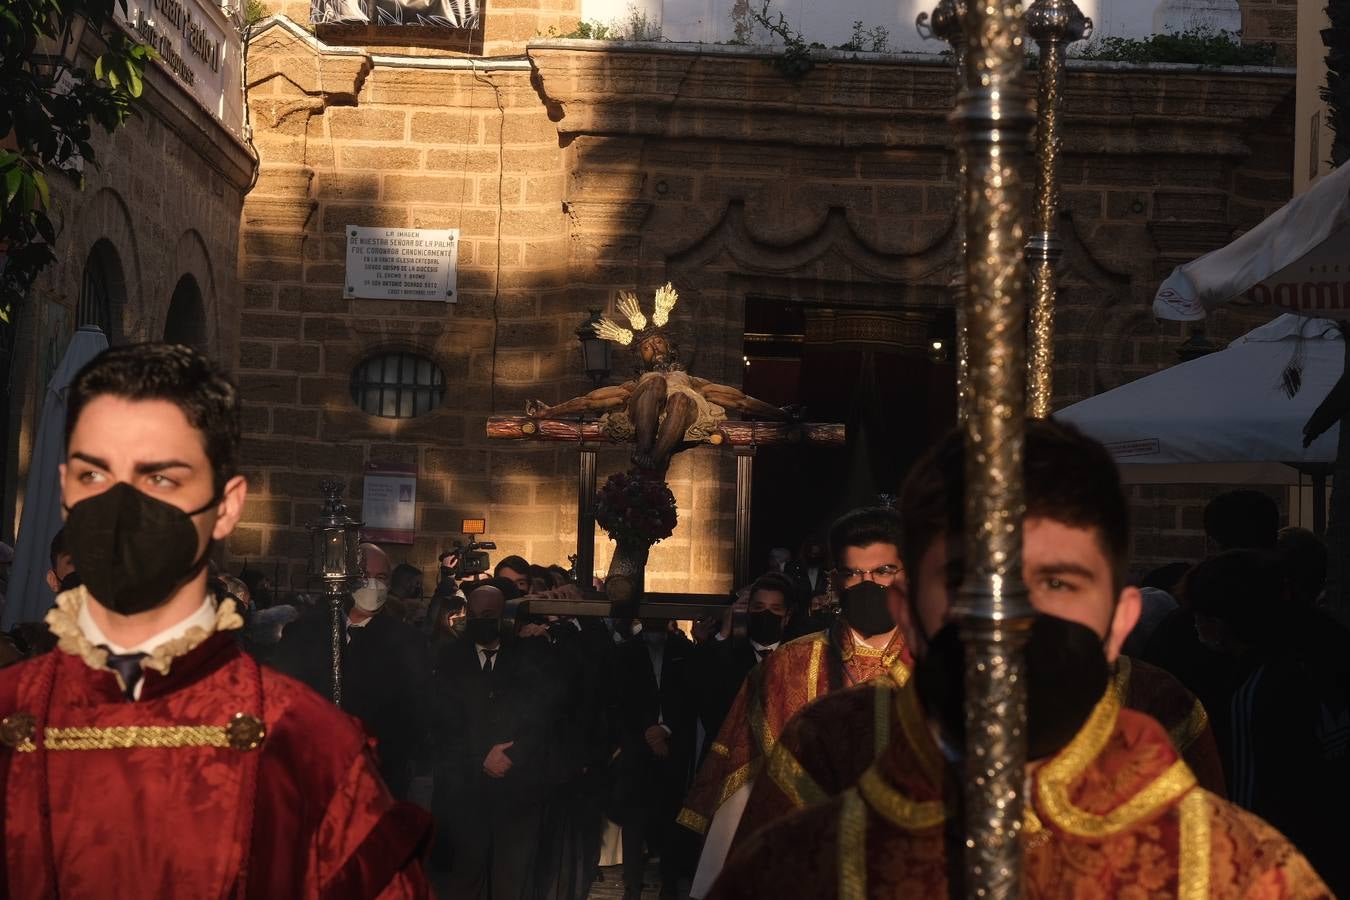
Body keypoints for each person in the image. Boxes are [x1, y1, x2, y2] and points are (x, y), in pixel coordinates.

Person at [711, 420, 1329, 899]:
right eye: (969, 584)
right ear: (909, 613)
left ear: (1118, 623)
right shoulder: (815, 803)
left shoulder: (1237, 864)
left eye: (1056, 584)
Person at [0, 343, 429, 896]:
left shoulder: (307, 749)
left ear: (225, 507)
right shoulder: (12, 716)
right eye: (96, 475)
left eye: (162, 480)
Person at [679, 506, 911, 896]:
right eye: (854, 573)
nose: (867, 584)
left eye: (883, 572)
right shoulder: (788, 666)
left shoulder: (941, 669)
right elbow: (742, 790)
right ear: (836, 581)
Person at [1197, 549, 1350, 893]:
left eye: (1201, 618)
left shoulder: (1259, 688)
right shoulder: (1322, 649)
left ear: (1221, 622)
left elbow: (1251, 797)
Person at [272, 541, 432, 799]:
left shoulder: (407, 641)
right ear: (347, 579)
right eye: (365, 576)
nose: (373, 584)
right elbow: (282, 694)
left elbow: (416, 710)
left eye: (380, 577)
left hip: (378, 776)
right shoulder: (305, 632)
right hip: (312, 772)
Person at [431, 577, 558, 900]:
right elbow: (444, 723)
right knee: (465, 877)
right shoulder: (448, 659)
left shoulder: (529, 655)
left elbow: (542, 715)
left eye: (489, 614)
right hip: (465, 789)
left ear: (504, 617)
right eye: (474, 614)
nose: (481, 621)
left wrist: (512, 756)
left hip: (517, 789)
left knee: (511, 879)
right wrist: (481, 758)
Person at [608, 615, 697, 900]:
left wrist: (665, 729)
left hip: (673, 747)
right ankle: (632, 885)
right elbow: (619, 700)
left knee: (671, 816)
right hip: (636, 748)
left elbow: (690, 697)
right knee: (634, 820)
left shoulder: (684, 652)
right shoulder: (625, 653)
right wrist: (648, 731)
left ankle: (668, 884)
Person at [691, 573, 794, 763]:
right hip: (729, 764)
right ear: (747, 612)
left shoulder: (799, 659)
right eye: (759, 607)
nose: (766, 614)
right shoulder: (724, 656)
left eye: (775, 609)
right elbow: (701, 693)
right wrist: (723, 634)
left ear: (787, 617)